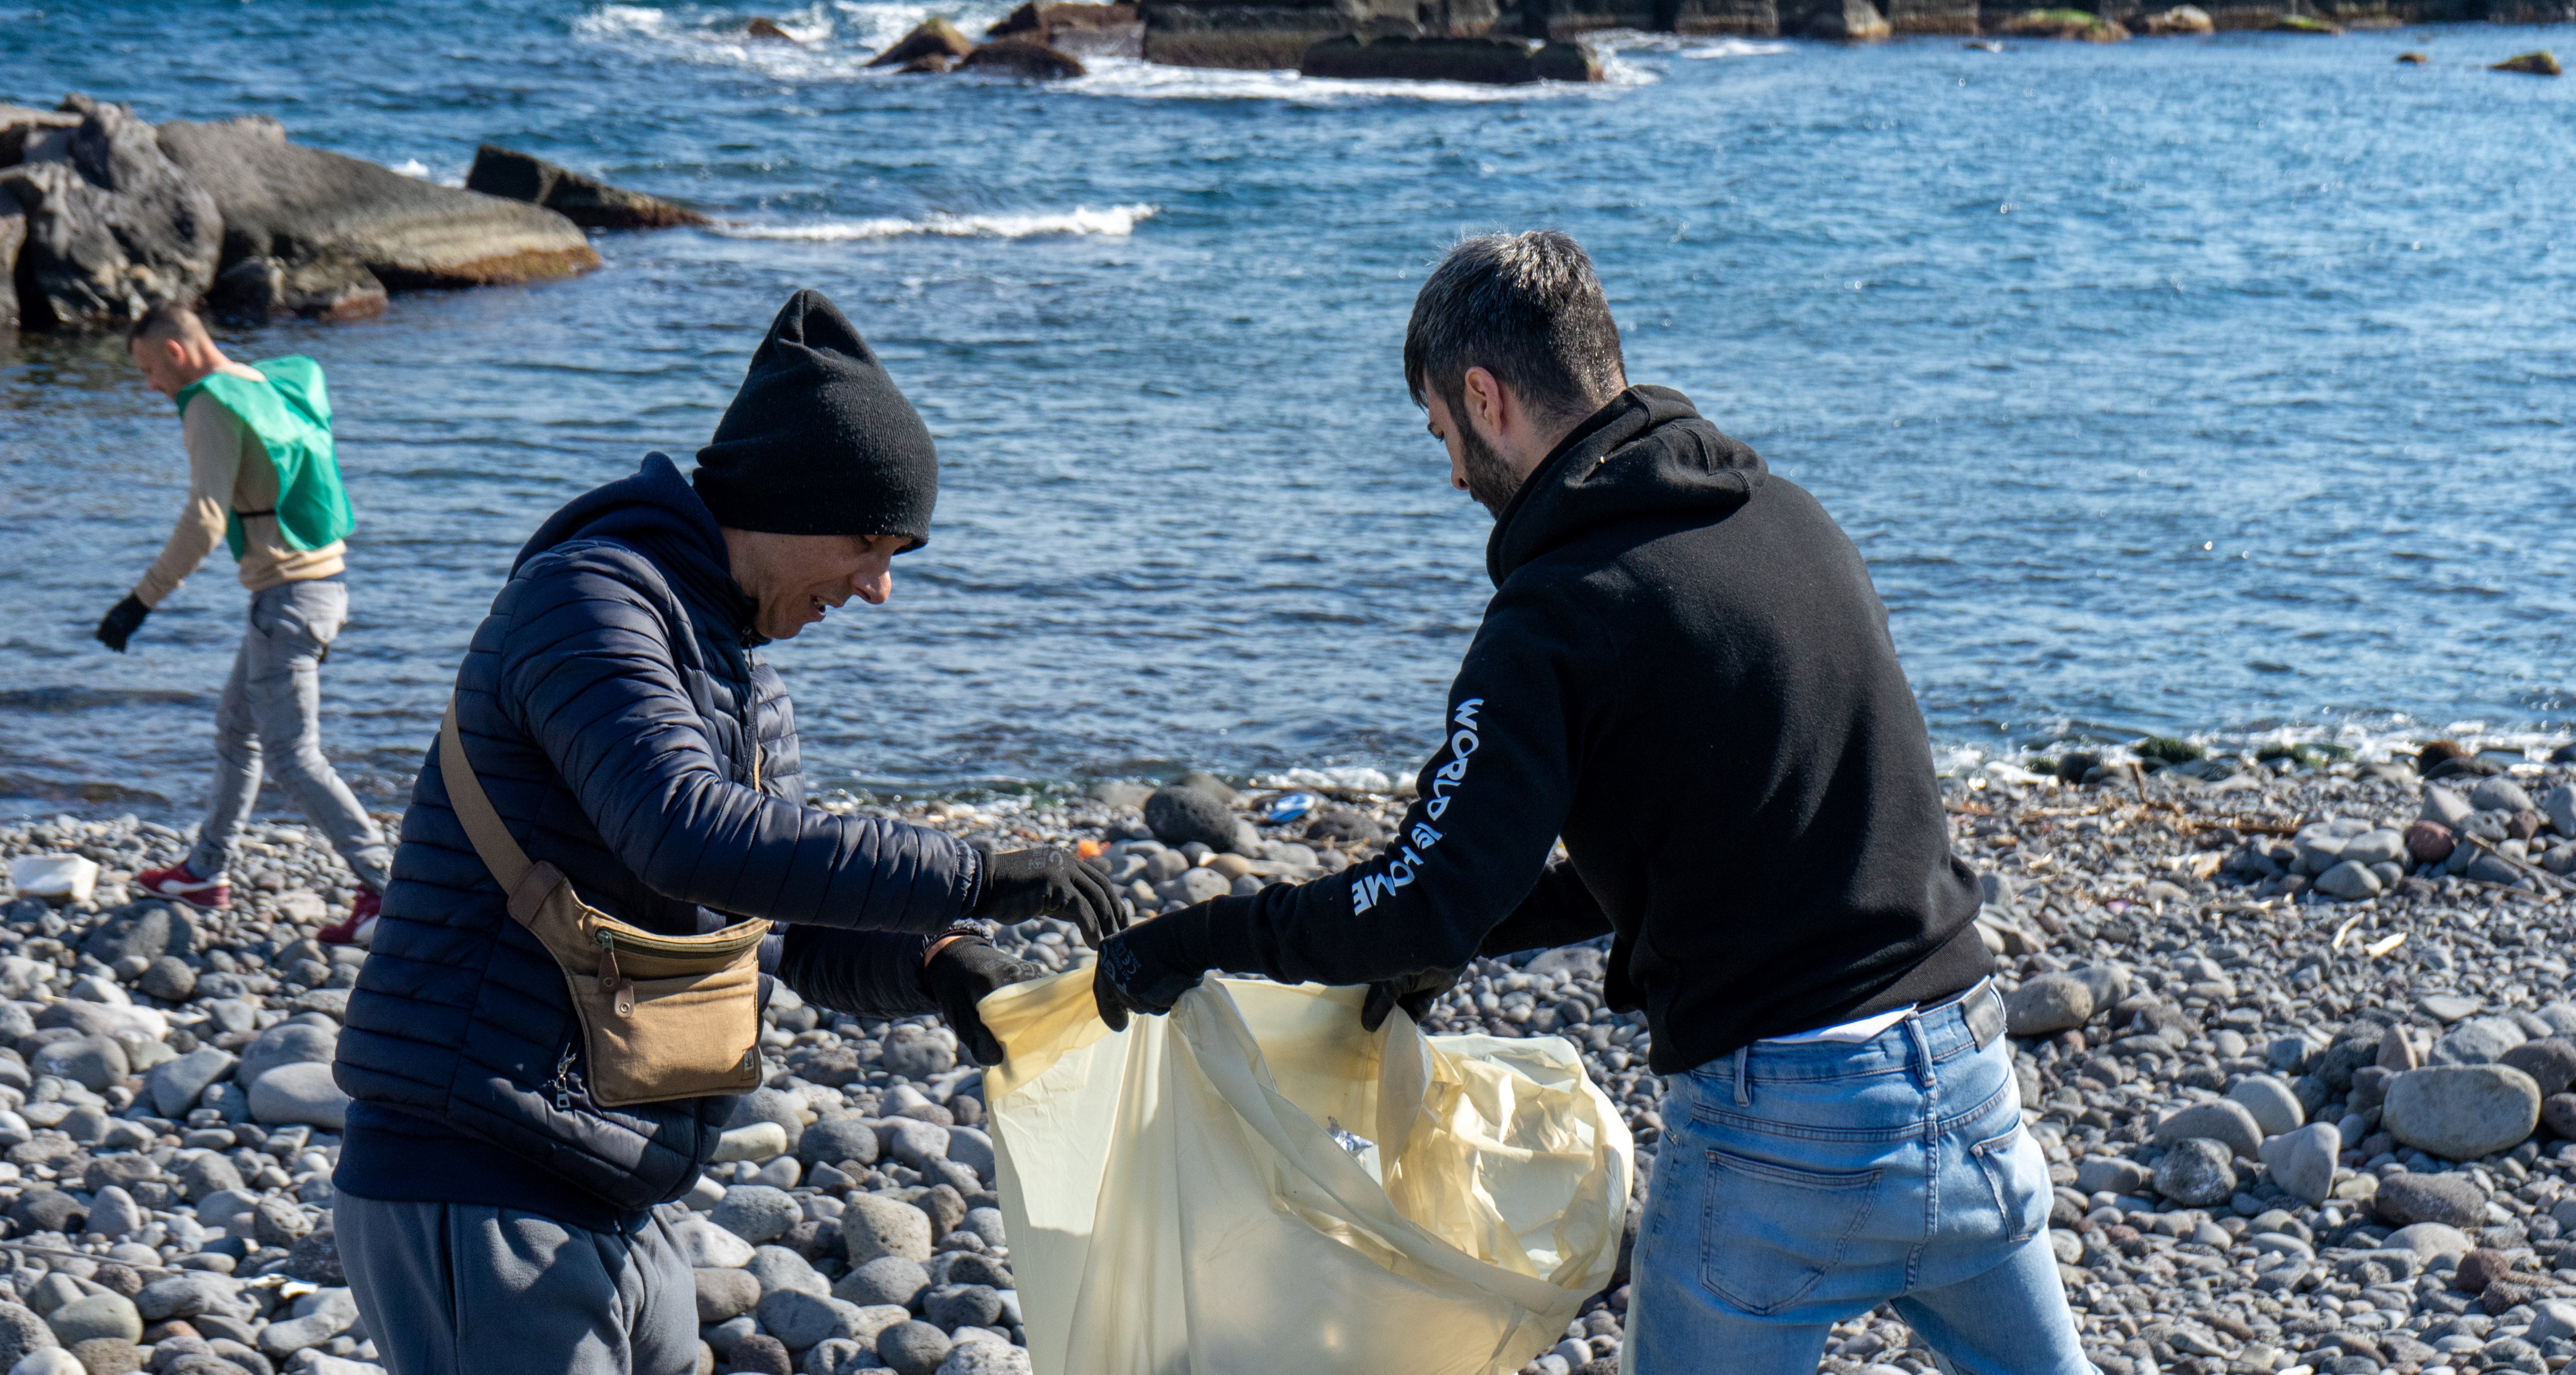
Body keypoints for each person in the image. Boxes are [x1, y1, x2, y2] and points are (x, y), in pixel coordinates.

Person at [1092, 232, 2089, 1373]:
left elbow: (1422, 896)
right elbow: (1712, 850)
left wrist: (1193, 941)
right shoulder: (1790, 521)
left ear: (1485, 397)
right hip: (1963, 1074)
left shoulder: (1555, 617)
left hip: (1782, 1131)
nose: (1453, 476)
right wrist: (1464, 937)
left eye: (1442, 436)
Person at [329, 288, 1122, 1374]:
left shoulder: (742, 675)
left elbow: (766, 918)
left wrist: (937, 962)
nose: (879, 588)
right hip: (480, 1175)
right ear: (793, 499)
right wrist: (976, 872)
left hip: (617, 1187)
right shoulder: (589, 600)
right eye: (872, 544)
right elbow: (685, 835)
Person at [100, 307, 393, 938]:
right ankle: (206, 870)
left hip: (288, 602)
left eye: (149, 370)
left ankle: (389, 891)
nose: (150, 385)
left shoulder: (210, 404)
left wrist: (140, 601)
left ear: (176, 352)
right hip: (320, 588)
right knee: (237, 729)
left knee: (293, 756)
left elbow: (206, 518)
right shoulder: (265, 385)